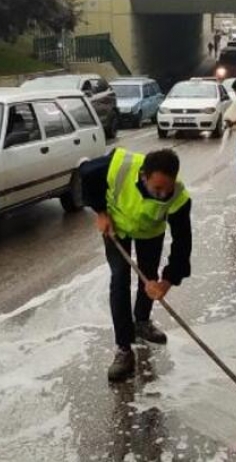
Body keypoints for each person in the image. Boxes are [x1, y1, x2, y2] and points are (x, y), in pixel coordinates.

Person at [80, 148, 193, 382]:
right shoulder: (119, 165)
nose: (163, 195)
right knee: (120, 279)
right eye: (157, 189)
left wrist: (166, 282)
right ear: (143, 176)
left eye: (167, 189)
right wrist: (101, 212)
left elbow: (183, 243)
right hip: (117, 228)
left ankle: (141, 321)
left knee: (148, 276)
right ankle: (123, 348)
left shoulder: (179, 197)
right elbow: (86, 174)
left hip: (150, 232)